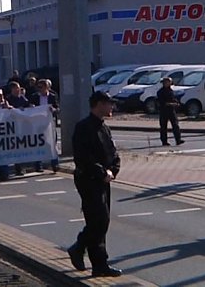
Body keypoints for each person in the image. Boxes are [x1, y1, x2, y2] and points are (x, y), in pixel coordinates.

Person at [67, 91, 122, 278]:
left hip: (104, 180)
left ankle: (99, 265)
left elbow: (113, 153)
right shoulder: (83, 127)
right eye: (109, 103)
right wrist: (101, 172)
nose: (112, 107)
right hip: (89, 180)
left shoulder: (104, 127)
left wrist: (113, 170)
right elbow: (83, 158)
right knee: (99, 220)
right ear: (99, 104)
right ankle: (78, 247)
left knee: (101, 221)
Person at [156, 77, 184, 147]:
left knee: (175, 125)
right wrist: (169, 104)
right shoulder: (160, 92)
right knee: (163, 126)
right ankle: (164, 141)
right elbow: (161, 102)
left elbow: (173, 99)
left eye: (169, 82)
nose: (168, 83)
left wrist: (176, 103)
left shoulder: (170, 91)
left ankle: (178, 140)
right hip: (163, 111)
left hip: (171, 110)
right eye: (166, 82)